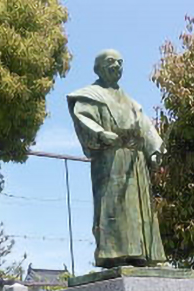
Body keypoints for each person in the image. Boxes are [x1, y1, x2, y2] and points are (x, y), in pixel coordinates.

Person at [67, 49, 166, 268]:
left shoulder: (132, 102)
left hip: (135, 160)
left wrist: (154, 150)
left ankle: (146, 255)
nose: (117, 66)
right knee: (113, 206)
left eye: (120, 62)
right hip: (110, 159)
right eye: (111, 62)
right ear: (98, 68)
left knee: (141, 208)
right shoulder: (90, 95)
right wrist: (101, 134)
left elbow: (146, 127)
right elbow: (83, 118)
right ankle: (116, 254)